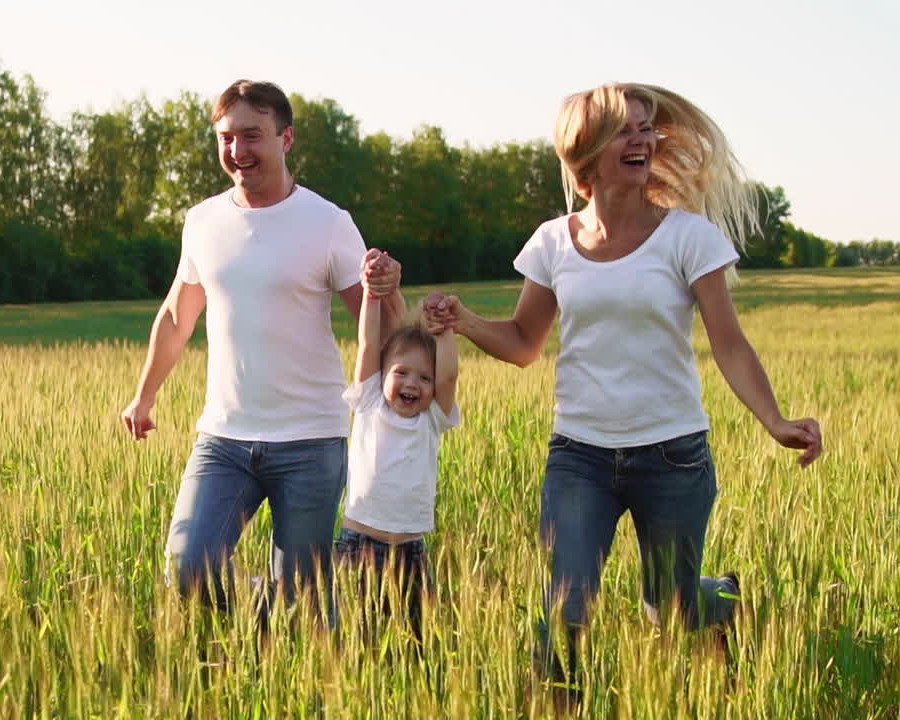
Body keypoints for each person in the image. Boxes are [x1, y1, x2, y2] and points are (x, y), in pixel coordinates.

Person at [424, 83, 823, 690]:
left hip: (673, 456)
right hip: (579, 457)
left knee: (672, 611)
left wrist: (774, 420)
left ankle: (722, 604)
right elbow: (525, 343)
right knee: (568, 607)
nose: (643, 139)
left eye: (646, 128)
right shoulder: (553, 241)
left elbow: (730, 343)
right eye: (625, 130)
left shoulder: (689, 238)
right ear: (585, 154)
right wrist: (468, 321)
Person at [120, 80, 405, 621]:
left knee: (304, 600)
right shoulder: (203, 221)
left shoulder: (328, 222)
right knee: (188, 564)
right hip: (223, 439)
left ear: (286, 138)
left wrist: (389, 288)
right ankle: (262, 607)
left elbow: (381, 327)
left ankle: (304, 649)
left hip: (311, 442)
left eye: (252, 136)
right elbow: (179, 315)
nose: (238, 151)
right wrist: (144, 397)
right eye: (227, 138)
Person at [335, 249, 460, 645]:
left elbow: (450, 374)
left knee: (416, 644)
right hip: (359, 544)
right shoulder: (370, 402)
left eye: (424, 378)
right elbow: (369, 342)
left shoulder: (432, 421)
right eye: (401, 373)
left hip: (411, 551)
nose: (411, 384)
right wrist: (371, 295)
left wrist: (445, 331)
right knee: (358, 639)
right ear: (382, 375)